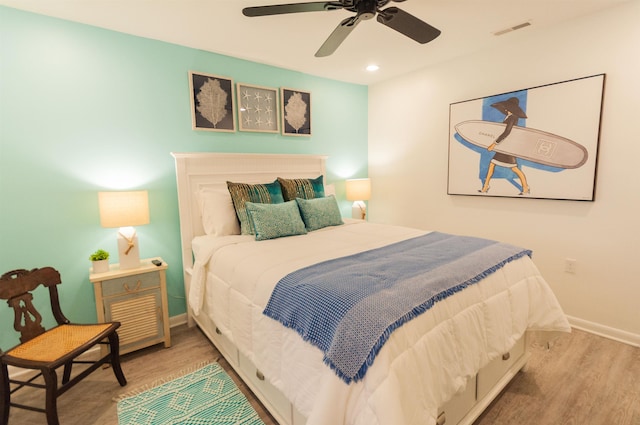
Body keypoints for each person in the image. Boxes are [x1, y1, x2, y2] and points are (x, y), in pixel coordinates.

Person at [479, 97, 530, 195]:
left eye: (507, 107)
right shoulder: (509, 116)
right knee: (492, 164)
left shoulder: (513, 117)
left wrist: (494, 144)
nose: (505, 109)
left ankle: (525, 187)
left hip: (507, 147)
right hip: (504, 146)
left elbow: (507, 132)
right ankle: (485, 186)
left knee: (514, 168)